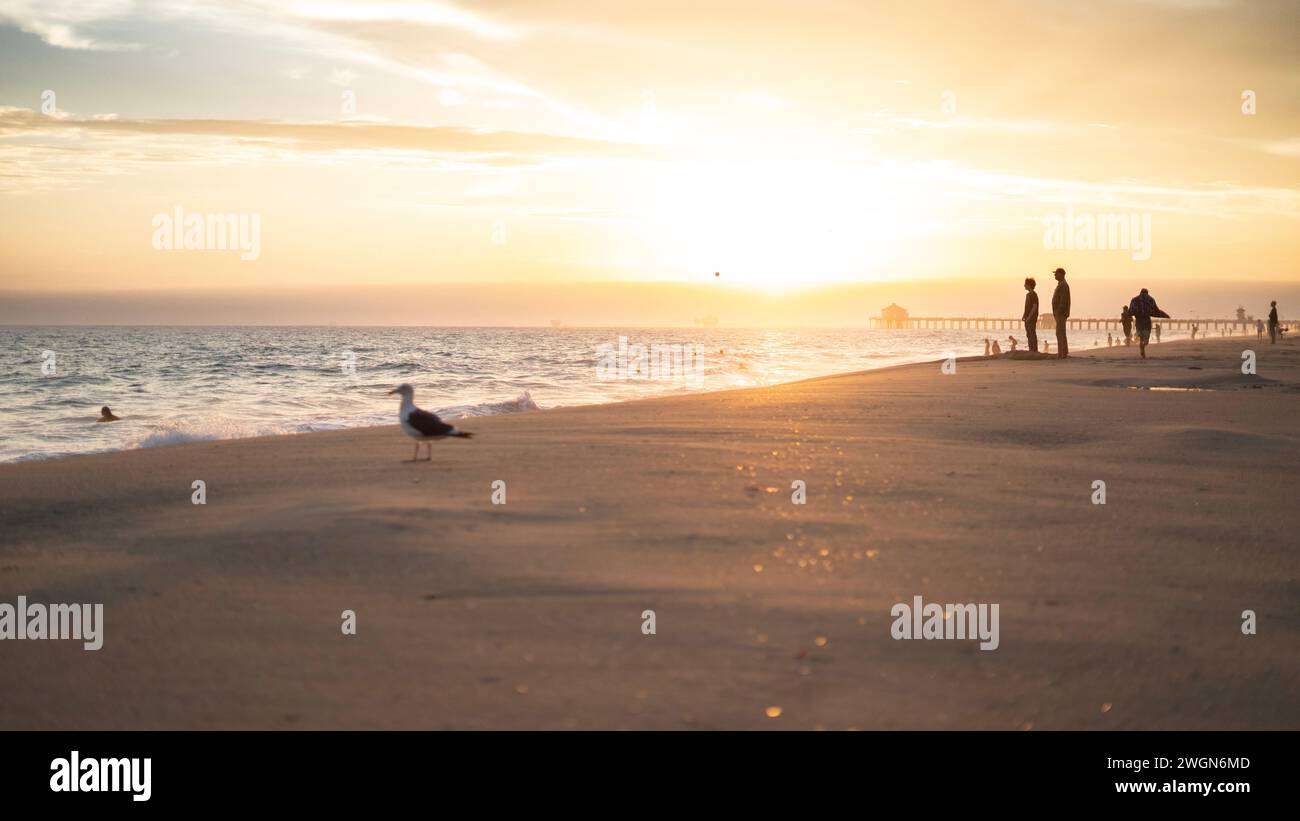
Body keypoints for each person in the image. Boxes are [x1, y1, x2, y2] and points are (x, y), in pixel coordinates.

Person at [1128, 288, 1170, 360]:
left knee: (1140, 336)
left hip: (1138, 320)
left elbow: (1131, 310)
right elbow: (1156, 310)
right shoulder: (1150, 299)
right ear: (1147, 293)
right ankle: (1143, 346)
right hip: (1146, 320)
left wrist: (1126, 316)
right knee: (1146, 339)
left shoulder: (1134, 299)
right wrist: (1165, 315)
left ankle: (1141, 345)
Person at [1050, 267, 1070, 357]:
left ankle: (1061, 353)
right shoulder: (1061, 284)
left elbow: (1063, 300)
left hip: (1061, 313)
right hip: (1060, 313)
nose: (1054, 275)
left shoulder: (1063, 285)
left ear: (1061, 274)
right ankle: (1063, 352)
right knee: (1061, 332)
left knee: (1059, 332)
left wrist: (1058, 311)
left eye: (1056, 274)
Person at [1022, 277, 1039, 356]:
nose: (1024, 285)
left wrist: (1029, 317)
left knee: (1032, 333)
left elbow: (1034, 307)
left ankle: (1034, 350)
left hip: (1031, 318)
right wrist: (1024, 315)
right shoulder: (1028, 294)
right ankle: (1031, 349)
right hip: (1027, 317)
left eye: (1025, 284)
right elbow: (1027, 307)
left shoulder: (1033, 294)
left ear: (1028, 285)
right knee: (1028, 334)